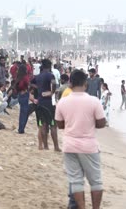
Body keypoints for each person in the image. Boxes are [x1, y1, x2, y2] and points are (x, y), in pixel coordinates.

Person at [55, 70, 106, 209]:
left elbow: (59, 124)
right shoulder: (93, 101)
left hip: (70, 145)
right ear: (85, 83)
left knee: (76, 181)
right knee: (95, 181)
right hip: (89, 146)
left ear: (70, 83)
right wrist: (89, 122)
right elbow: (102, 123)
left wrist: (72, 123)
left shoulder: (63, 102)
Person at [31, 59, 60, 151]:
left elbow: (30, 83)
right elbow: (54, 83)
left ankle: (46, 146)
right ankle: (56, 147)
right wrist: (52, 92)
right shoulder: (50, 75)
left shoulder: (38, 76)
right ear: (49, 66)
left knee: (43, 125)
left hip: (40, 103)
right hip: (48, 103)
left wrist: (38, 88)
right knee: (52, 124)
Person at [16, 64, 30, 134]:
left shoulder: (18, 76)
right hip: (24, 94)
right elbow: (25, 84)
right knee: (24, 113)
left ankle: (20, 128)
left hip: (20, 94)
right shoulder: (25, 77)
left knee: (22, 112)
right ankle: (21, 129)